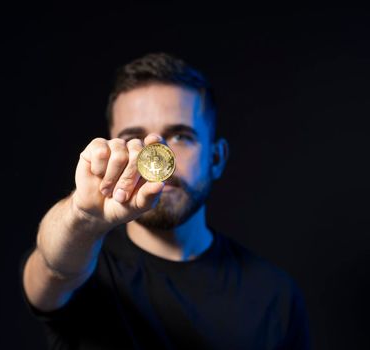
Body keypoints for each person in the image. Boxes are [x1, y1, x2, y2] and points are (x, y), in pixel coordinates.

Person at [20, 52, 311, 349]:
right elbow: (53, 269)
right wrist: (83, 217)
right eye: (133, 138)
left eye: (181, 136)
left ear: (216, 157)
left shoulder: (275, 296)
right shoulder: (83, 262)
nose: (154, 154)